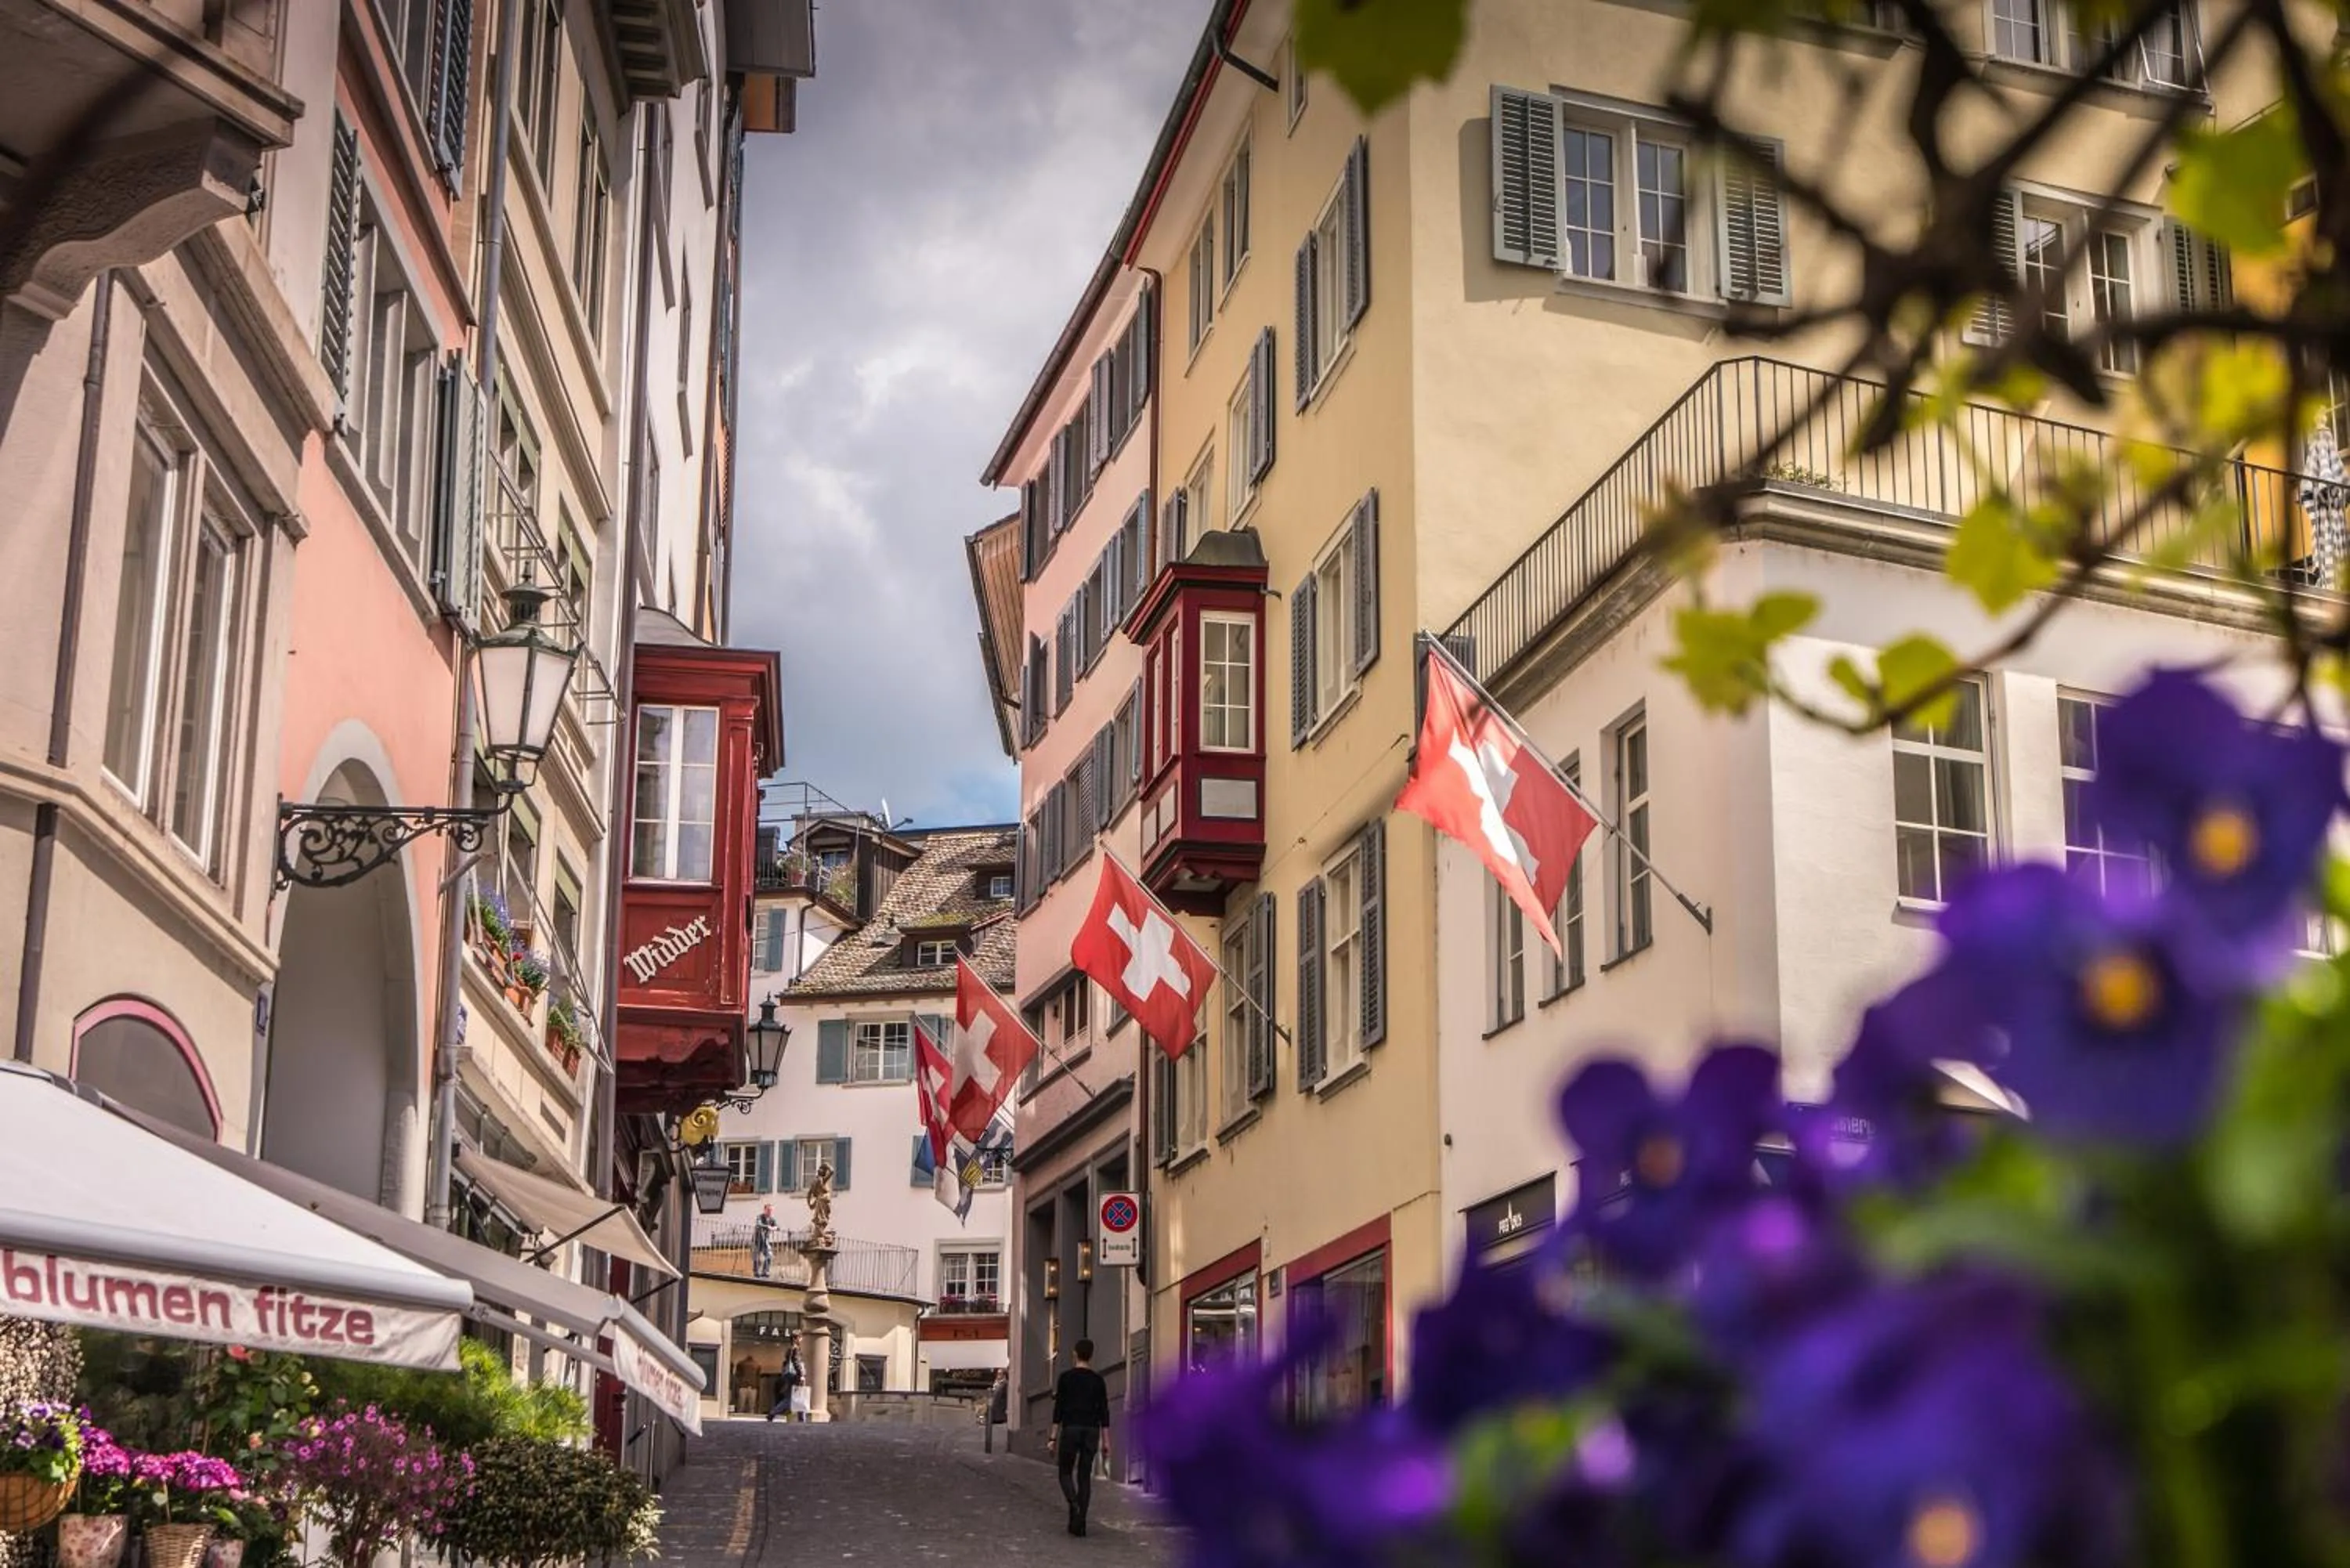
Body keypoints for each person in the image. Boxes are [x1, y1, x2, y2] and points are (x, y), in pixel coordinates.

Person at [1047, 1339, 1112, 1537]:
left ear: (1075, 1353)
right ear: (1091, 1355)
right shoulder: (1098, 1381)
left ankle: (1074, 1504)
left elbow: (1058, 1410)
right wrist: (1107, 1441)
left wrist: (1052, 1437)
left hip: (1072, 1429)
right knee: (1084, 1476)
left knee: (1065, 1472)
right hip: (1091, 1430)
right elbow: (1104, 1413)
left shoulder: (1065, 1378)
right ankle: (1080, 1523)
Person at [766, 1342, 804, 1422]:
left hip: (790, 1375)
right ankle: (801, 1418)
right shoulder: (796, 1349)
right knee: (798, 1397)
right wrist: (801, 1374)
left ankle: (773, 1413)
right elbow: (796, 1362)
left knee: (793, 1398)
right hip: (796, 1376)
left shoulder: (790, 1350)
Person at [751, 1203, 780, 1279]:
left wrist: (774, 1228)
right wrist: (768, 1227)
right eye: (768, 1210)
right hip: (757, 1240)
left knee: (769, 1255)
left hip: (765, 1241)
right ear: (764, 1210)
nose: (770, 1212)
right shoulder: (760, 1217)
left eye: (771, 1210)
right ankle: (756, 1272)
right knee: (756, 1257)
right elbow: (759, 1224)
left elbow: (778, 1227)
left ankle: (765, 1272)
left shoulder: (772, 1219)